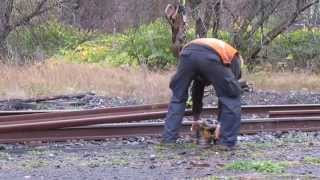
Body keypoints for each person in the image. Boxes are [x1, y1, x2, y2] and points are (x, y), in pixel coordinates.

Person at [162, 38, 243, 150]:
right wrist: (222, 124)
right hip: (210, 55)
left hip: (187, 54)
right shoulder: (235, 61)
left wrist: (196, 118)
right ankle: (226, 142)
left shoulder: (218, 55)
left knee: (178, 97)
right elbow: (227, 95)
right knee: (232, 96)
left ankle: (168, 139)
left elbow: (197, 90)